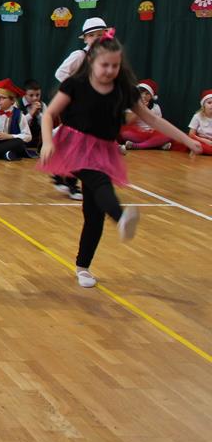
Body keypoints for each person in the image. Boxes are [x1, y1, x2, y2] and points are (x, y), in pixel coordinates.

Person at [38, 32, 199, 288]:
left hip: (103, 149)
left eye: (115, 65)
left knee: (94, 214)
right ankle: (120, 216)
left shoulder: (123, 90)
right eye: (105, 65)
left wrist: (187, 140)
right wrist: (47, 142)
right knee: (99, 180)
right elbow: (49, 115)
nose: (110, 71)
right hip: (73, 145)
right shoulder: (75, 85)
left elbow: (152, 119)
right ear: (91, 61)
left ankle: (83, 267)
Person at [49, 17, 111, 199]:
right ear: (85, 38)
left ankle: (61, 174)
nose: (98, 38)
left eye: (101, 35)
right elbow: (60, 73)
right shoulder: (79, 56)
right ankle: (70, 182)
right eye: (93, 35)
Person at [119, 80, 171, 151]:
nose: (143, 95)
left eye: (147, 93)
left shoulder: (156, 107)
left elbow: (159, 123)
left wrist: (154, 131)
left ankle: (138, 146)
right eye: (141, 92)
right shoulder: (131, 105)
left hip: (152, 134)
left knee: (169, 134)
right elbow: (129, 121)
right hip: (137, 134)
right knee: (125, 134)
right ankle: (156, 145)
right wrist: (141, 109)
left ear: (151, 96)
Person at [185, 89, 212, 155]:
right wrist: (205, 141)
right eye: (209, 103)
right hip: (200, 140)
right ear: (203, 105)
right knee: (191, 141)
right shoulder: (197, 116)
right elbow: (191, 134)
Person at [22, 80, 44, 149]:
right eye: (31, 95)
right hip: (22, 139)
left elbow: (46, 125)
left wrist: (39, 114)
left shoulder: (43, 105)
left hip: (37, 140)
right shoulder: (18, 104)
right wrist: (31, 113)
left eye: (37, 95)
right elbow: (18, 125)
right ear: (24, 94)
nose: (35, 98)